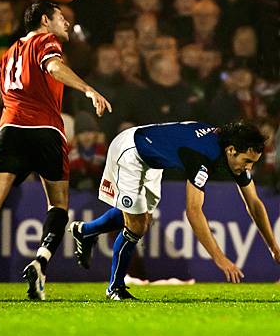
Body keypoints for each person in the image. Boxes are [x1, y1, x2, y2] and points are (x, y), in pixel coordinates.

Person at [0, 1, 112, 302]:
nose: (66, 24)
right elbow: (54, 67)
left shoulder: (9, 53)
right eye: (61, 18)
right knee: (58, 205)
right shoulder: (47, 41)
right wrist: (88, 90)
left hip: (10, 131)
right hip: (45, 131)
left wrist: (17, 99)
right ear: (45, 20)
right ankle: (40, 263)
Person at [69, 120, 280, 300]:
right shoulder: (202, 155)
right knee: (136, 226)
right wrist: (219, 258)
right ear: (231, 150)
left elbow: (254, 203)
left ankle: (85, 231)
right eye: (247, 161)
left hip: (152, 158)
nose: (249, 168)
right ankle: (115, 287)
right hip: (131, 150)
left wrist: (273, 247)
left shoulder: (231, 150)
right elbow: (193, 211)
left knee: (140, 219)